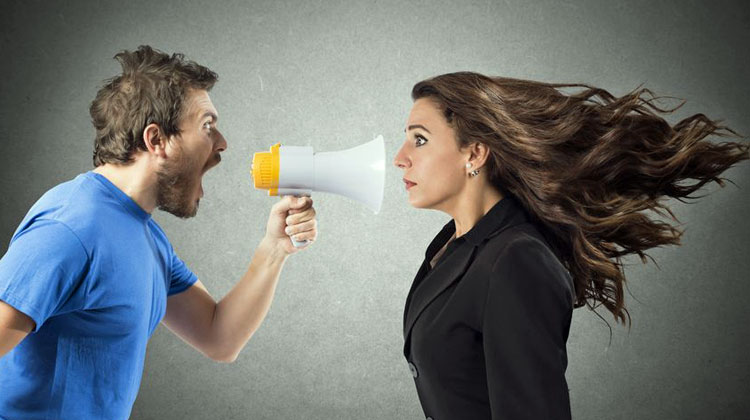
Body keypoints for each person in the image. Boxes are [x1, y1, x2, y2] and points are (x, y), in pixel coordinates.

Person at [393, 71, 748, 420]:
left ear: (475, 154)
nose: (400, 157)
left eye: (419, 140)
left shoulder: (516, 260)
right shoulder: (452, 245)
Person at [0, 45, 318, 419]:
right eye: (207, 126)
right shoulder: (71, 227)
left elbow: (219, 338)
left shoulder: (145, 235)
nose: (222, 144)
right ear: (157, 140)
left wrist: (274, 248)